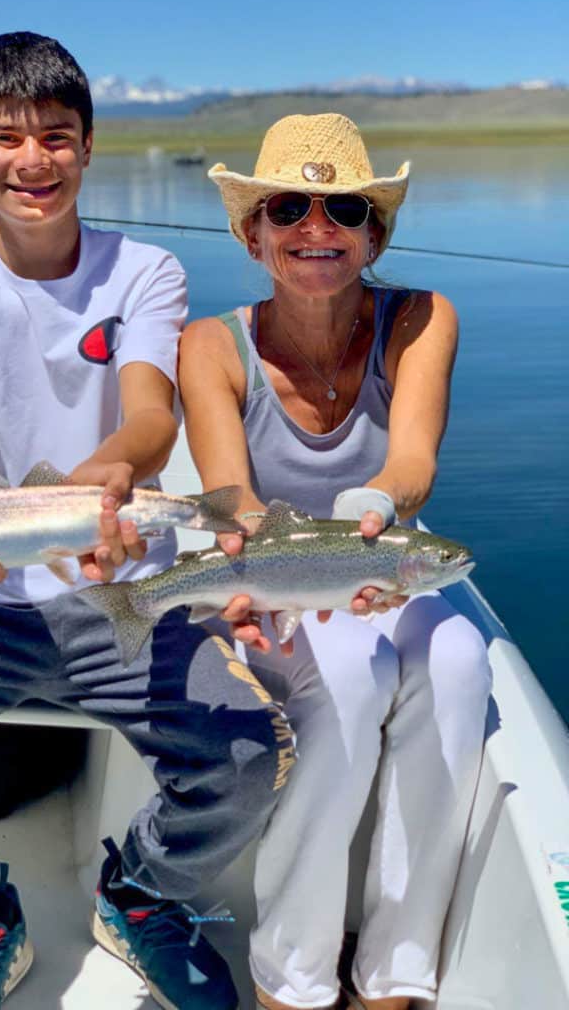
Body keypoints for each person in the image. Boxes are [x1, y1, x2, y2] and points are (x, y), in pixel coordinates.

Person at [0, 33, 295, 1010]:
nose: (33, 161)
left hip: (126, 589)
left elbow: (151, 414)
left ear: (88, 145)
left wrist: (113, 477)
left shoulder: (145, 271)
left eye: (56, 137)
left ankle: (141, 891)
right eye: (6, 138)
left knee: (248, 751)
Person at [178, 113, 492, 1010]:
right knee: (353, 678)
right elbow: (232, 499)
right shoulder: (209, 345)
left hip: (382, 558)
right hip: (277, 581)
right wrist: (258, 567)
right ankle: (292, 976)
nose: (316, 228)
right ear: (252, 233)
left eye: (345, 209)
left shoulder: (422, 318)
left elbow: (413, 462)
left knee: (461, 660)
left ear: (374, 234)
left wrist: (373, 508)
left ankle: (395, 971)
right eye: (288, 208)